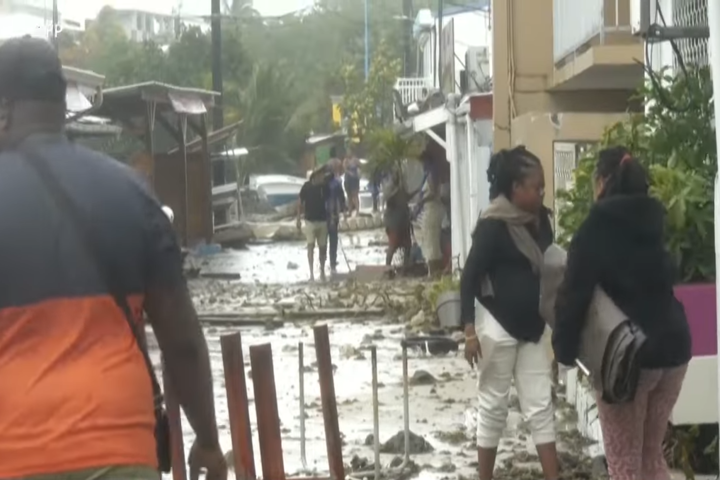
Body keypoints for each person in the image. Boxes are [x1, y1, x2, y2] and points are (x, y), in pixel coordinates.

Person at [0, 36, 226, 480]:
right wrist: (208, 442)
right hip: (119, 450)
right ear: (62, 104)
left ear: (3, 109)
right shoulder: (131, 192)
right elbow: (180, 338)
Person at [553, 147, 691, 480]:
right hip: (674, 350)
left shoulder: (596, 228)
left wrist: (564, 350)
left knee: (625, 465)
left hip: (627, 359)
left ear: (601, 182)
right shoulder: (654, 221)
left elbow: (575, 294)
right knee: (649, 456)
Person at [460, 146, 559, 480]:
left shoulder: (541, 220)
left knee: (540, 405)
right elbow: (469, 278)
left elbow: (548, 267)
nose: (542, 192)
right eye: (537, 186)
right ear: (516, 188)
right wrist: (469, 332)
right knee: (492, 407)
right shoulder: (493, 224)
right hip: (497, 328)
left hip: (533, 328)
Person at [414, 155, 445, 276]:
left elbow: (433, 193)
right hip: (430, 209)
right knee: (430, 241)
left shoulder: (432, 175)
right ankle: (433, 271)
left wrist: (421, 201)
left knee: (430, 241)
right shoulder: (430, 175)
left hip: (432, 210)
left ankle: (432, 272)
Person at [297, 168, 330, 281]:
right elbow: (300, 203)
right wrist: (298, 219)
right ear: (315, 176)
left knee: (323, 247)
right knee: (310, 246)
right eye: (321, 175)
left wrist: (333, 215)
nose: (323, 177)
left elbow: (329, 201)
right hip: (309, 221)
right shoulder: (306, 187)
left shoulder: (324, 187)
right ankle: (311, 273)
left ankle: (322, 270)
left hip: (323, 220)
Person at [382, 164, 412, 267]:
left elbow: (406, 198)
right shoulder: (388, 185)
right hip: (393, 220)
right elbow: (388, 200)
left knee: (408, 245)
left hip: (404, 218)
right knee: (393, 245)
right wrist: (397, 190)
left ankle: (406, 267)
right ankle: (387, 267)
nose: (397, 176)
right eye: (395, 173)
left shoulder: (403, 185)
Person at [326, 157, 346, 274]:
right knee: (332, 239)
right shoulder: (336, 183)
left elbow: (341, 199)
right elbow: (341, 199)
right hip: (332, 215)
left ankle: (328, 263)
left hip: (326, 215)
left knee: (326, 240)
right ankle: (332, 263)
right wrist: (343, 210)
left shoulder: (324, 183)